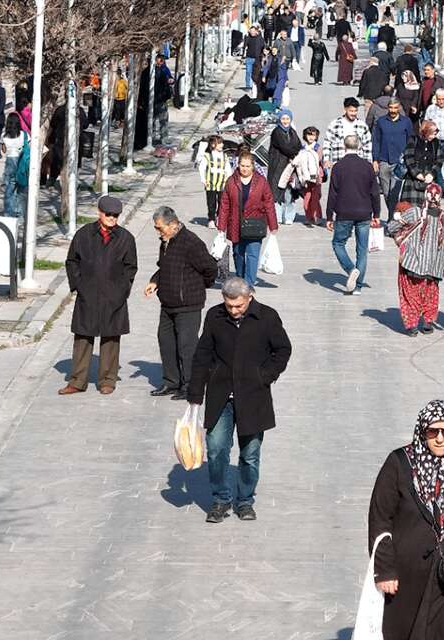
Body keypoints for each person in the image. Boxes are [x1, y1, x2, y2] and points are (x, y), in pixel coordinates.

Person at [367, 399, 444, 637]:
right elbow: (380, 517)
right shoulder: (400, 463)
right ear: (422, 432)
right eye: (432, 431)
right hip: (408, 576)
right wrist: (384, 569)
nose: (440, 438)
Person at [189, 277, 293, 523]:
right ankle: (220, 499)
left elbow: (283, 349)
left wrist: (264, 375)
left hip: (253, 396)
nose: (234, 311)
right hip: (220, 395)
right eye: (229, 306)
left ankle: (245, 500)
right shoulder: (215, 317)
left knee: (250, 454)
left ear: (250, 298)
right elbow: (203, 353)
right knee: (216, 450)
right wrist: (195, 393)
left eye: (238, 306)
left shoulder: (267, 317)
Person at [59, 196, 138, 396]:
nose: (112, 218)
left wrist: (122, 290)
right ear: (99, 213)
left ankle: (107, 380)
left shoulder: (126, 238)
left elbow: (131, 267)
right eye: (108, 214)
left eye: (116, 215)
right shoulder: (84, 235)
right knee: (83, 337)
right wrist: (78, 285)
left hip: (114, 296)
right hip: (88, 294)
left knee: (111, 338)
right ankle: (77, 380)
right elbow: (72, 261)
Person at [144, 207, 218, 400]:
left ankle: (189, 385)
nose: (158, 232)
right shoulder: (165, 242)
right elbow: (164, 267)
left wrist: (196, 286)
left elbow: (210, 268)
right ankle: (171, 382)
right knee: (166, 342)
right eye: (156, 228)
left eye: (160, 228)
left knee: (187, 346)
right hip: (167, 303)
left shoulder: (191, 242)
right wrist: (155, 281)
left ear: (173, 224)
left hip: (188, 305)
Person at [389, 187, 444, 335]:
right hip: (434, 263)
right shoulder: (443, 216)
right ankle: (428, 321)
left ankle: (412, 324)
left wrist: (398, 219)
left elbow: (391, 227)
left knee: (409, 292)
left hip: (412, 261)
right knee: (430, 292)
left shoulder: (415, 212)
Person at [326, 135, 381, 295]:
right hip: (364, 212)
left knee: (338, 243)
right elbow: (375, 192)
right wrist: (377, 213)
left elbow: (333, 193)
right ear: (359, 146)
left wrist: (329, 216)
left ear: (344, 146)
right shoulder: (367, 166)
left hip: (344, 212)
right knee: (362, 250)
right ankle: (357, 287)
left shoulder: (338, 167)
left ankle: (351, 269)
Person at [217, 152, 279, 288]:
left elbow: (269, 202)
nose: (244, 169)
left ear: (253, 167)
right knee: (238, 254)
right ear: (238, 165)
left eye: (247, 166)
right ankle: (240, 278)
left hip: (255, 224)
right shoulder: (231, 181)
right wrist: (221, 226)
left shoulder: (261, 182)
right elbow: (224, 205)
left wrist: (273, 225)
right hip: (236, 224)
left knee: (252, 255)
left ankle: (249, 284)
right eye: (242, 165)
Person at [373, 98, 414, 219]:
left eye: (395, 108)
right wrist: (375, 159)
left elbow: (410, 141)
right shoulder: (381, 122)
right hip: (384, 160)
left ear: (399, 108)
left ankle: (392, 220)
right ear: (387, 108)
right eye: (391, 108)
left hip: (400, 162)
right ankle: (393, 216)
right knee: (386, 193)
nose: (393, 110)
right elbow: (376, 141)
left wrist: (409, 159)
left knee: (394, 193)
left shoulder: (406, 122)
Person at [396, 120, 442, 211]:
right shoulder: (414, 140)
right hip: (412, 181)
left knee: (428, 211)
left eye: (435, 134)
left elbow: (439, 160)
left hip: (429, 181)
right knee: (409, 210)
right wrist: (416, 173)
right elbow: (408, 158)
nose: (434, 136)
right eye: (432, 134)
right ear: (425, 132)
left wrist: (432, 174)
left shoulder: (436, 143)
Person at [268, 110, 302, 225]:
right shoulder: (276, 132)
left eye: (287, 119)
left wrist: (295, 155)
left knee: (289, 191)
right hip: (278, 165)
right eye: (283, 119)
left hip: (290, 166)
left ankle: (289, 217)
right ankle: (276, 217)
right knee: (276, 191)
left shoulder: (292, 131)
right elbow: (284, 147)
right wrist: (294, 155)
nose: (285, 121)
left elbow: (298, 145)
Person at [289, 126, 326, 227]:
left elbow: (319, 160)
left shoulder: (317, 147)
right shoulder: (303, 148)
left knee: (315, 197)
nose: (311, 137)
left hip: (316, 175)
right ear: (305, 136)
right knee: (306, 197)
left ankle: (317, 217)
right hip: (305, 177)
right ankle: (308, 217)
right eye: (309, 135)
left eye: (313, 135)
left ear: (316, 136)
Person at [323, 97, 372, 166]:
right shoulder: (334, 124)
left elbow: (367, 146)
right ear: (345, 109)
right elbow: (327, 142)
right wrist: (326, 159)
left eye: (356, 111)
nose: (354, 113)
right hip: (339, 162)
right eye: (351, 111)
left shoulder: (362, 126)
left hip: (357, 164)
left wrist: (368, 164)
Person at [197, 135, 232, 229]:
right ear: (213, 145)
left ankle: (220, 217)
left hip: (222, 183)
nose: (222, 145)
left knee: (222, 202)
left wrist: (229, 179)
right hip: (210, 183)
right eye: (219, 143)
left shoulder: (224, 156)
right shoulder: (207, 156)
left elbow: (228, 169)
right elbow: (202, 168)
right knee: (211, 202)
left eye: (222, 143)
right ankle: (211, 219)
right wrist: (203, 180)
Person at [0, 112, 26, 218]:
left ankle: (8, 211)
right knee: (21, 188)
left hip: (10, 161)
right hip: (21, 161)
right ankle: (19, 212)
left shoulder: (4, 136)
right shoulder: (24, 135)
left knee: (9, 188)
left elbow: (3, 150)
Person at [244, 26, 265, 90]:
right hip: (249, 58)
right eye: (251, 31)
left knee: (257, 73)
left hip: (257, 58)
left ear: (256, 31)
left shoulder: (260, 38)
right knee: (248, 72)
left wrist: (264, 56)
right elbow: (244, 47)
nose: (252, 33)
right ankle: (248, 86)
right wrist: (242, 56)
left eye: (253, 31)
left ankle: (256, 85)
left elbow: (263, 47)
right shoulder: (248, 38)